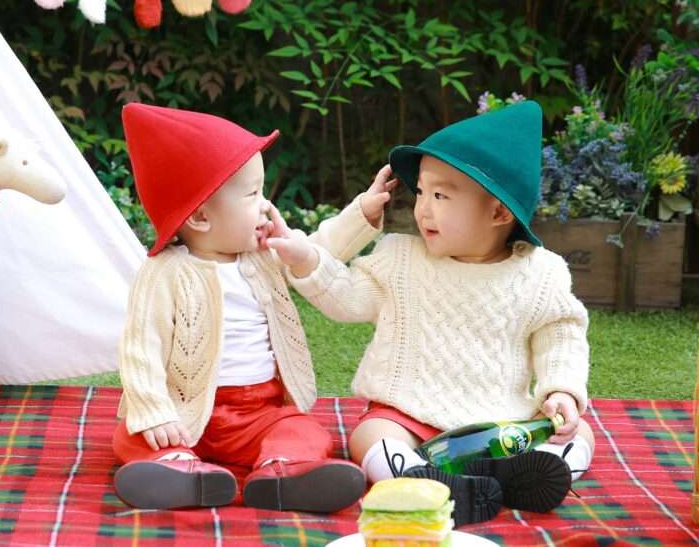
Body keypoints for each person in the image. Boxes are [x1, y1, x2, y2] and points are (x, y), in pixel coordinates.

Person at [266, 101, 595, 526]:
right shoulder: (400, 258)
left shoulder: (540, 273)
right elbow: (345, 297)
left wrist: (562, 391)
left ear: (498, 212)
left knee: (576, 430)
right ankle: (419, 476)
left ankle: (532, 475)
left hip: (503, 422)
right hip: (409, 414)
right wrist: (307, 259)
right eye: (421, 192)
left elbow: (562, 334)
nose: (423, 208)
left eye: (440, 195)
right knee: (372, 433)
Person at [111, 102, 367, 513]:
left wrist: (360, 216)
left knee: (303, 430)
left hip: (258, 412)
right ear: (199, 218)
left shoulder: (262, 257)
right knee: (133, 433)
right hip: (184, 409)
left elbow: (314, 254)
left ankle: (281, 472)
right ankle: (177, 469)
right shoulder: (165, 273)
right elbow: (141, 347)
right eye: (252, 194)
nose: (266, 205)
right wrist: (154, 411)